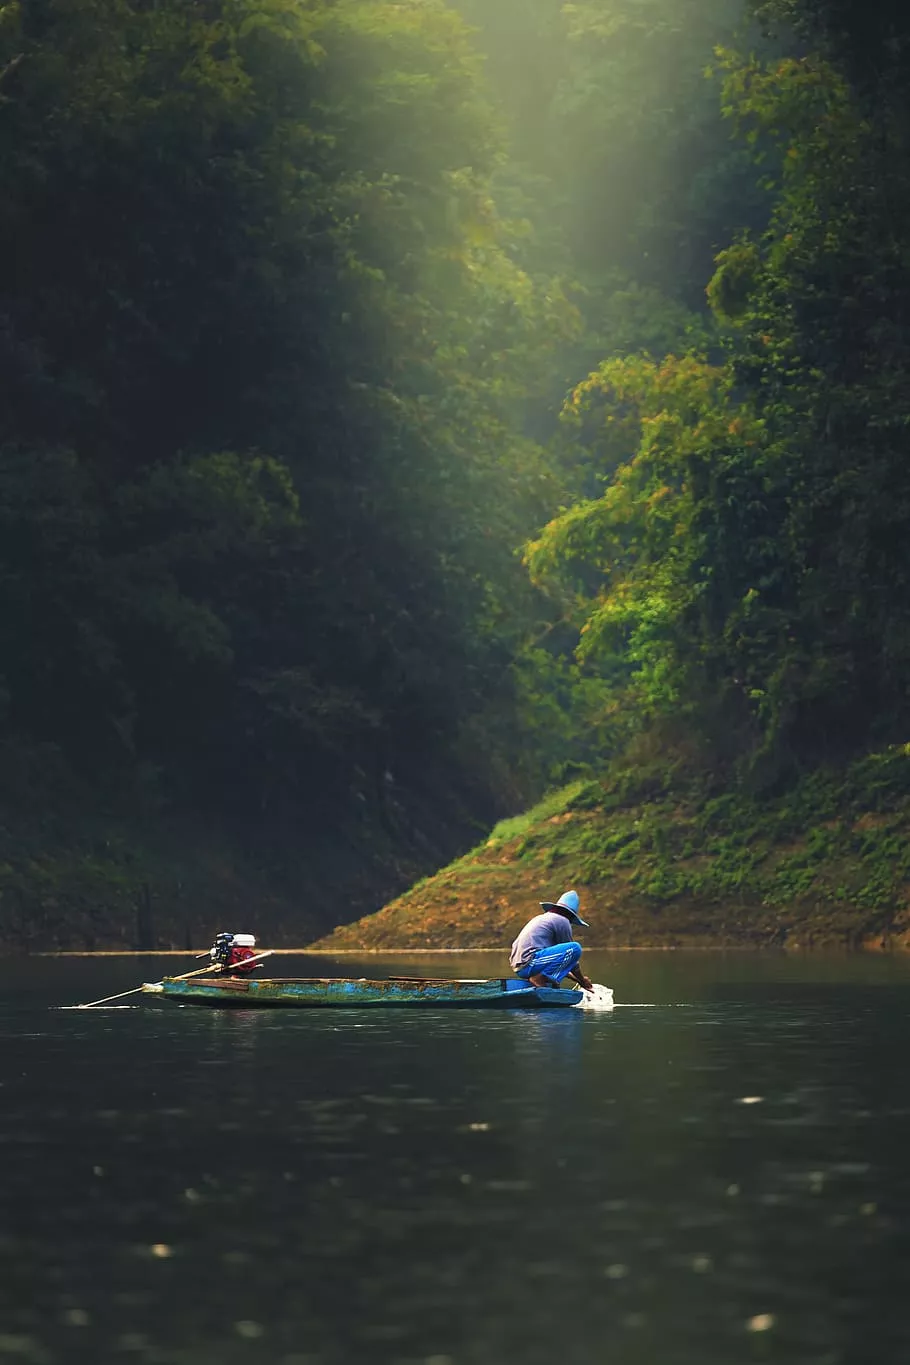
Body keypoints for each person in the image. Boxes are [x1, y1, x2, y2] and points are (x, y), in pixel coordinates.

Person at [509, 890, 594, 992]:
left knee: (565, 957)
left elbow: (559, 961)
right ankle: (541, 978)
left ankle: (543, 978)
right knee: (575, 948)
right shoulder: (562, 920)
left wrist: (578, 980)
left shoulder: (544, 918)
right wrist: (582, 980)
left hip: (521, 968)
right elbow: (573, 961)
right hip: (531, 962)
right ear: (570, 915)